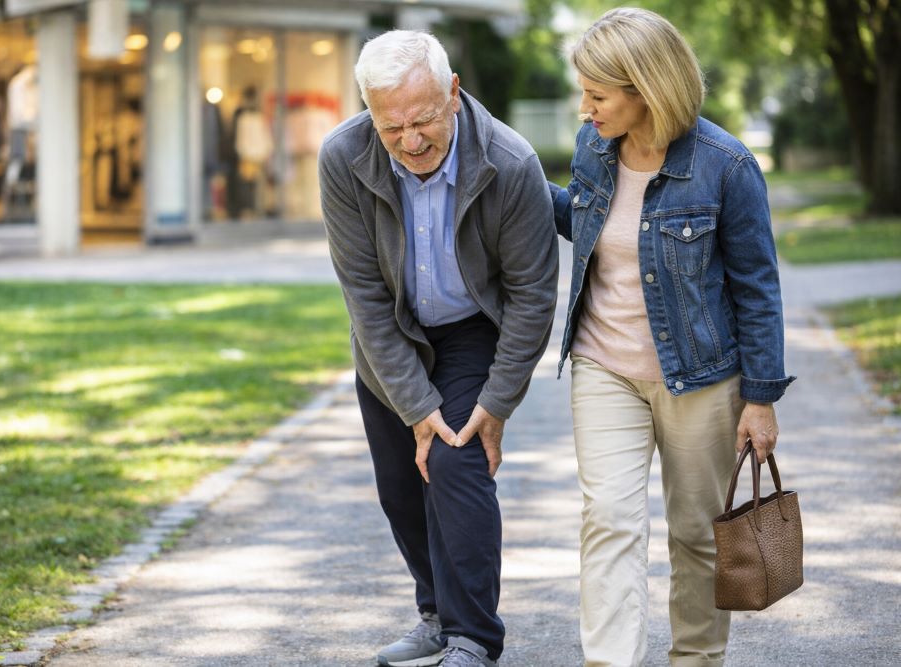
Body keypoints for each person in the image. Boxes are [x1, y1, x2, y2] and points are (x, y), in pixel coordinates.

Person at [548, 8, 795, 666]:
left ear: (645, 90)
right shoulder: (593, 146)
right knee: (609, 522)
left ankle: (696, 660)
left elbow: (757, 287)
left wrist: (762, 398)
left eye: (598, 95)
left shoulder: (726, 165)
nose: (586, 107)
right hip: (605, 366)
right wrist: (521, 183)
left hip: (702, 378)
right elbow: (588, 219)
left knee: (698, 537)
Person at [319, 30, 558, 667]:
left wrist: (498, 402)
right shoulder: (342, 157)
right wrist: (416, 407)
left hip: (473, 326)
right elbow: (365, 298)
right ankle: (435, 612)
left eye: (423, 120)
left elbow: (534, 294)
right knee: (400, 485)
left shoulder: (510, 162)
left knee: (455, 463)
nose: (410, 140)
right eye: (390, 126)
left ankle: (472, 636)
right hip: (392, 334)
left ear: (453, 93)